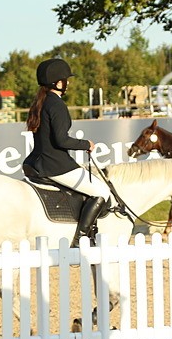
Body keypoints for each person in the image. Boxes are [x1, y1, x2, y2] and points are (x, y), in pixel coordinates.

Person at [22, 58, 112, 245]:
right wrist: (85, 144)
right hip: (54, 165)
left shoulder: (40, 102)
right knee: (101, 191)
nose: (68, 83)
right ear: (57, 82)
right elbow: (61, 140)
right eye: (66, 80)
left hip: (35, 162)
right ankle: (80, 239)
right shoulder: (56, 105)